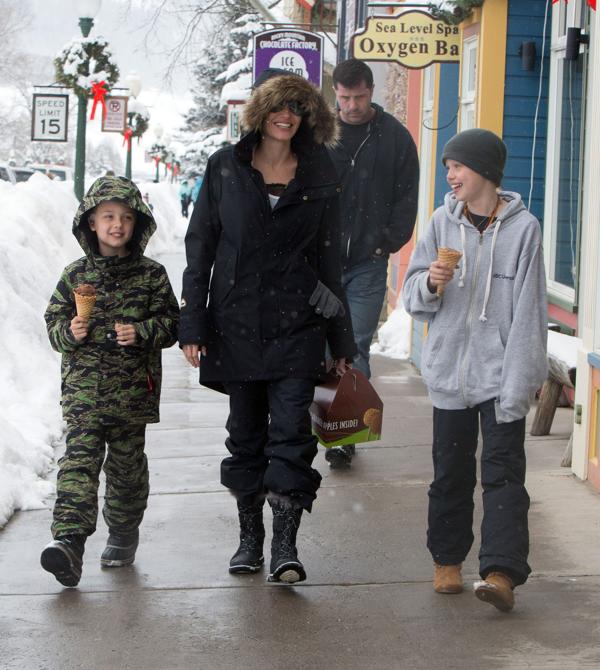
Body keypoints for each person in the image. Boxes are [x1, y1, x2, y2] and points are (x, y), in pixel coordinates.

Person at [179, 69, 357, 584]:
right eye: (278, 108)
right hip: (235, 320)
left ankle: (285, 545)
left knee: (292, 434)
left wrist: (340, 340)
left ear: (308, 119)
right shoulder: (225, 169)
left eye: (297, 109)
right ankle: (248, 538)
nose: (286, 117)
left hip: (298, 323)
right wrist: (193, 322)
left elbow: (330, 258)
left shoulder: (321, 172)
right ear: (261, 114)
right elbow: (201, 249)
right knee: (245, 434)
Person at [402, 128, 548, 612]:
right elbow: (412, 298)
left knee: (505, 475)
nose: (451, 175)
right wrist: (430, 283)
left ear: (483, 170)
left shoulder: (524, 230)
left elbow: (529, 314)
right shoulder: (442, 224)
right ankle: (446, 561)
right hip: (450, 375)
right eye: (448, 166)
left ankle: (500, 572)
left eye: (458, 166)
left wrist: (519, 384)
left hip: (501, 375)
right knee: (451, 473)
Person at [40, 175, 179, 588]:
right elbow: (53, 323)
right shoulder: (74, 275)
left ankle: (122, 531)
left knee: (126, 469)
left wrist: (143, 332)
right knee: (78, 466)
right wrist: (70, 332)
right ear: (91, 223)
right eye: (108, 217)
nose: (117, 224)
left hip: (132, 395)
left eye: (126, 217)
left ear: (137, 224)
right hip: (84, 396)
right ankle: (68, 542)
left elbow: (172, 323)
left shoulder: (152, 276)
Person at [326, 58, 419, 469]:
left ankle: (344, 436)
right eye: (344, 98)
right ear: (335, 93)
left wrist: (386, 244)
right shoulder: (319, 134)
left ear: (371, 91)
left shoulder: (394, 138)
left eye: (358, 97)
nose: (351, 106)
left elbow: (407, 197)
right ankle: (325, 421)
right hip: (321, 262)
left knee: (356, 344)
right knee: (323, 347)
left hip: (367, 262)